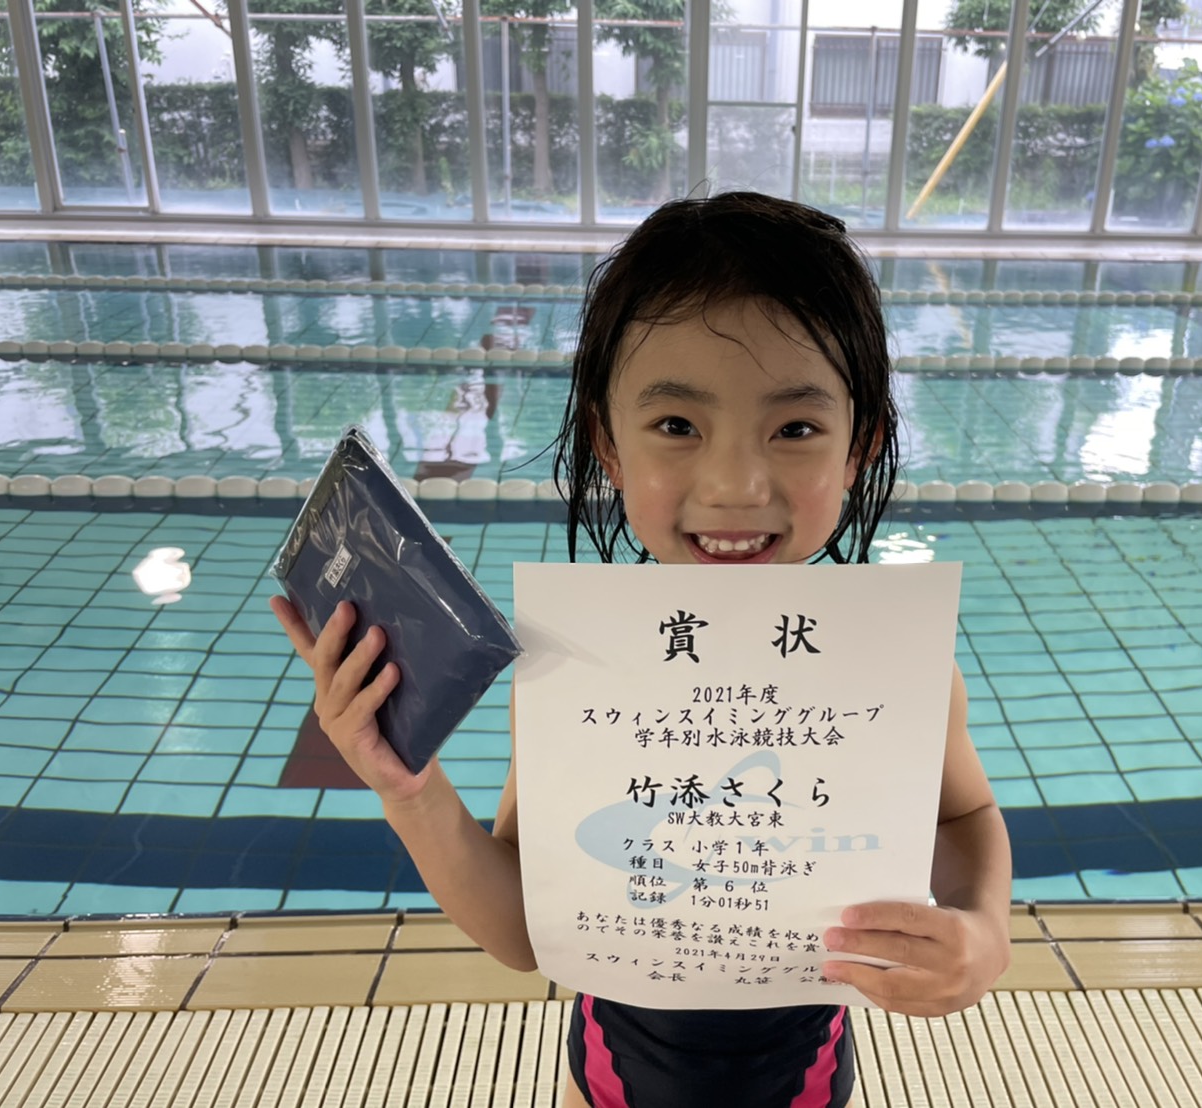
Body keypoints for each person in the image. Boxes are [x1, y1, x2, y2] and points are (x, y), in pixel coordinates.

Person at [271, 192, 1013, 1108]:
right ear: (608, 445)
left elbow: (964, 818)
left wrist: (984, 935)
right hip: (613, 1074)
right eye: (677, 426)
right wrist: (409, 791)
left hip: (806, 1077)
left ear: (859, 446)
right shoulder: (580, 673)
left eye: (795, 429)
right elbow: (522, 931)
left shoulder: (892, 670)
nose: (736, 484)